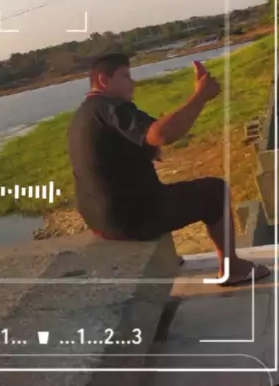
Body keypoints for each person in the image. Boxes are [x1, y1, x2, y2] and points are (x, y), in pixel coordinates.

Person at [67, 51, 270, 286]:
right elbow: (161, 134)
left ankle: (169, 257)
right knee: (216, 192)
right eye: (125, 76)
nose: (133, 83)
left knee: (162, 189)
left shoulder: (86, 112)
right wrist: (200, 96)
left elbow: (131, 143)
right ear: (104, 80)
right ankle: (232, 269)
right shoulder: (111, 106)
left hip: (99, 220)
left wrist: (148, 149)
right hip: (130, 219)